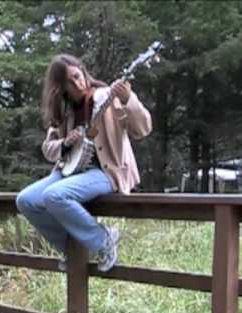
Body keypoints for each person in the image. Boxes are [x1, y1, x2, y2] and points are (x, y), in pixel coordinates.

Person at [16, 54, 152, 272]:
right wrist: (65, 143)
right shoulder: (64, 110)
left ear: (83, 71)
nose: (78, 84)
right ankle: (71, 249)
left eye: (78, 76)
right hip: (70, 171)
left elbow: (142, 129)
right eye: (70, 82)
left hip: (106, 171)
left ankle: (103, 240)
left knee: (54, 195)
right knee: (26, 200)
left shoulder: (107, 96)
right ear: (60, 89)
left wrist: (129, 99)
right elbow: (48, 149)